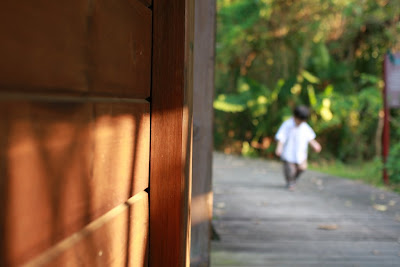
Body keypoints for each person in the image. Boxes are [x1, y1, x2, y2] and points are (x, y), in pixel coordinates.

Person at [275, 106, 321, 191]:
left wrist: (315, 145)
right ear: (294, 117)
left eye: (302, 121)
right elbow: (281, 137)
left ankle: (293, 179)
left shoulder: (305, 127)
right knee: (290, 170)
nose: (300, 122)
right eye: (299, 120)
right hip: (288, 153)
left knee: (302, 168)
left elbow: (310, 138)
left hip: (301, 153)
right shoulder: (287, 124)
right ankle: (290, 182)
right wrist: (279, 147)